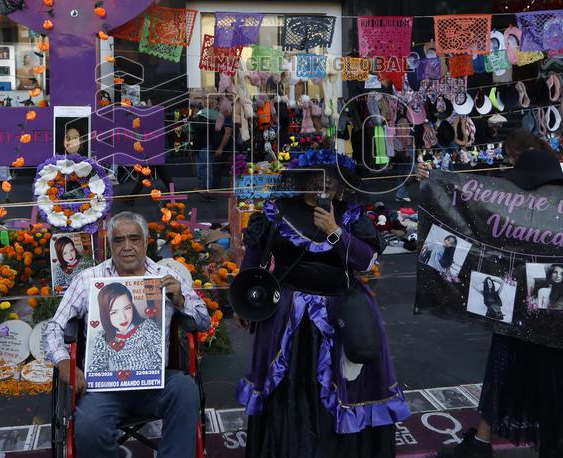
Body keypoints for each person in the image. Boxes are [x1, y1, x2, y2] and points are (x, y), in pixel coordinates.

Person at [238, 148, 409, 457]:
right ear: (301, 180)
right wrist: (244, 303)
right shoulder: (276, 211)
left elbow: (366, 261)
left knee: (339, 388)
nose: (324, 185)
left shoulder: (351, 215)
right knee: (286, 390)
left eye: (331, 180)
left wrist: (334, 232)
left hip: (339, 316)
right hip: (285, 317)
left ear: (341, 184)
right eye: (317, 178)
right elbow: (252, 262)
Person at [440, 130, 563, 458]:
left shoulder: (550, 207)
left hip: (534, 309)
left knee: (510, 371)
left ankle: (488, 443)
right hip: (552, 311)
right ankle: (506, 443)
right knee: (544, 377)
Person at [43, 211, 211, 457]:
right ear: (110, 245)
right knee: (89, 426)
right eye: (119, 240)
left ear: (145, 242)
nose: (127, 247)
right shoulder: (89, 279)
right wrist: (63, 361)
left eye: (134, 239)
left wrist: (180, 299)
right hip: (105, 387)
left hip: (156, 381)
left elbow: (203, 320)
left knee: (186, 390)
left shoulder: (165, 277)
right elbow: (54, 327)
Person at [86, 282, 163, 373]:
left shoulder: (147, 327)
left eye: (127, 308)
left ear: (132, 306)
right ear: (105, 314)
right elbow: (97, 368)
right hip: (121, 383)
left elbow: (161, 358)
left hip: (150, 381)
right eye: (114, 312)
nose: (123, 318)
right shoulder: (103, 337)